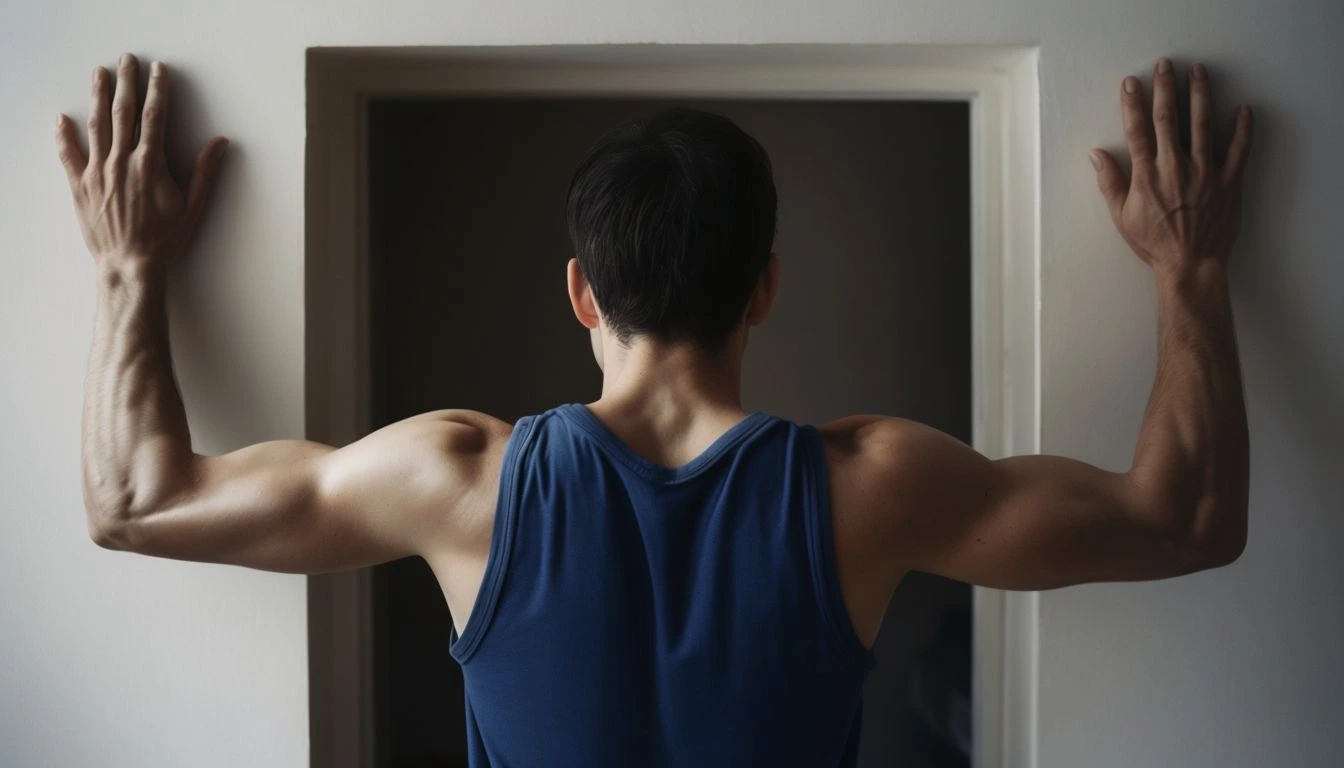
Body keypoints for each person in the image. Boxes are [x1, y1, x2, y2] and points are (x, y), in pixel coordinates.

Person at [60, 53, 1251, 767]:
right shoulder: (872, 488)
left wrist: (130, 269)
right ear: (764, 287)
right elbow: (1186, 516)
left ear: (583, 292)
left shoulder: (465, 480)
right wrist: (1188, 272)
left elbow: (134, 500)